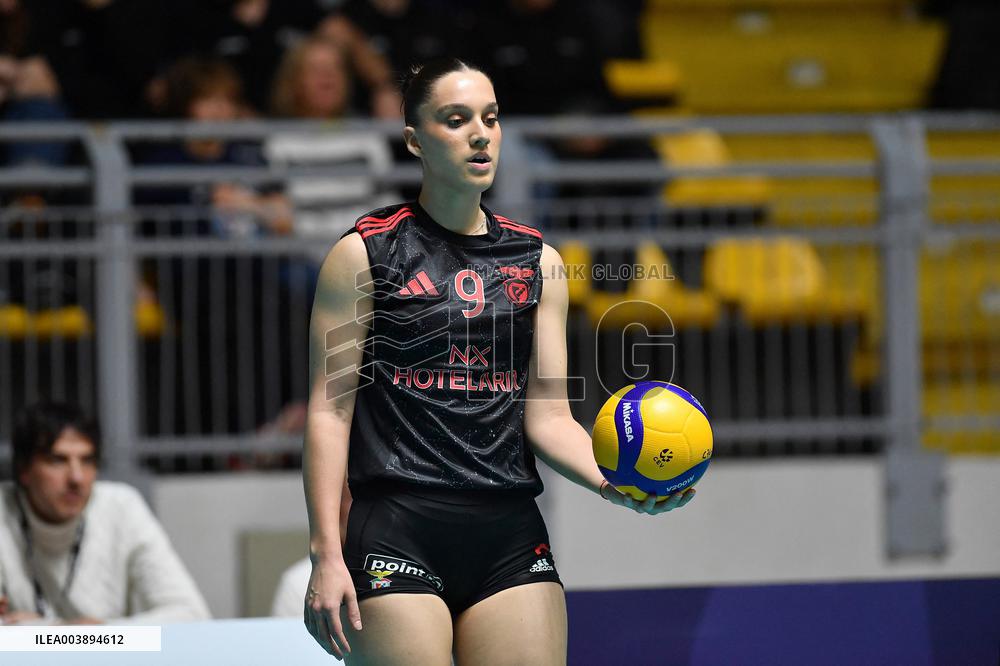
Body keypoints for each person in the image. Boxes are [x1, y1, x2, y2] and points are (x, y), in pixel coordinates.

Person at [302, 58, 696, 664]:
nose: (479, 134)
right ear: (414, 139)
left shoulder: (539, 262)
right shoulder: (363, 255)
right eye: (456, 120)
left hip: (508, 533)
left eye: (490, 118)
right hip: (397, 527)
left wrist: (614, 483)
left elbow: (549, 419)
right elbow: (331, 414)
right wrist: (326, 554)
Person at [0, 402, 211, 624]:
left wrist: (97, 633)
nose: (76, 478)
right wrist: (65, 632)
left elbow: (192, 615)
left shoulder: (121, 507)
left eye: (87, 461)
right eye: (58, 460)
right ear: (24, 469)